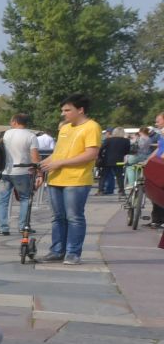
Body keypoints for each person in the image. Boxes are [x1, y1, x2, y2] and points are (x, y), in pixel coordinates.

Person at [39, 94, 100, 263]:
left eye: (67, 110)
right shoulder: (65, 128)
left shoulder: (91, 127)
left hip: (76, 180)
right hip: (55, 179)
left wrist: (61, 163)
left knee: (74, 217)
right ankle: (57, 250)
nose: (63, 113)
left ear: (80, 110)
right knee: (58, 217)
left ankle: (73, 253)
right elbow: (58, 154)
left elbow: (91, 154)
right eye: (63, 110)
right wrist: (41, 164)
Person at [0, 113, 39, 236]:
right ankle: (23, 226)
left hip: (4, 172)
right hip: (23, 172)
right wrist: (38, 173)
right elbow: (35, 157)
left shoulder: (2, 134)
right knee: (25, 198)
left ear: (15, 122)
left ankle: (3, 227)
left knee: (2, 200)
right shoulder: (31, 136)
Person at [98, 128, 131, 195]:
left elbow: (101, 149)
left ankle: (100, 190)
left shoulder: (108, 140)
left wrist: (100, 156)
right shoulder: (126, 141)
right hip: (119, 160)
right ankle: (121, 191)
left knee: (103, 176)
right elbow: (127, 151)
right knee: (119, 176)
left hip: (107, 160)